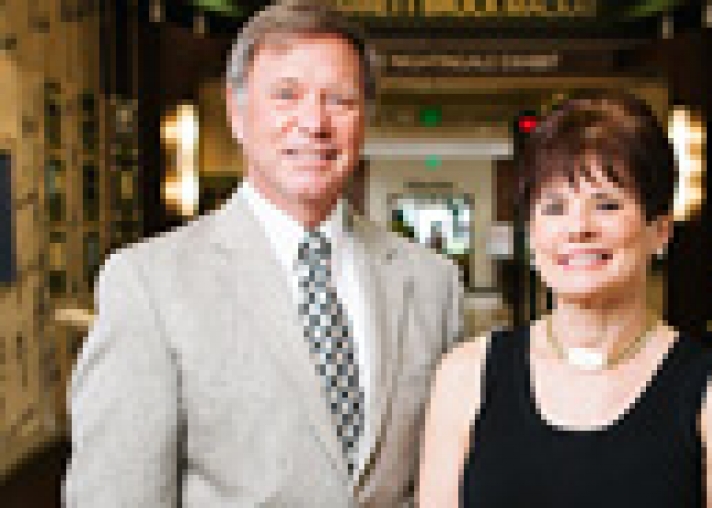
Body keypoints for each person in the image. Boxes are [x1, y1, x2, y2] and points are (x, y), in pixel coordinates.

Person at [64, 1, 463, 506]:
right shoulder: (149, 286)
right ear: (237, 114)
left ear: (364, 118)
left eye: (339, 99)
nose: (313, 122)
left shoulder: (432, 284)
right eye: (286, 94)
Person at [418, 91, 712, 507]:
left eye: (607, 204)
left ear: (660, 230)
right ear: (531, 233)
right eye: (554, 207)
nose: (578, 228)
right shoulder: (465, 377)